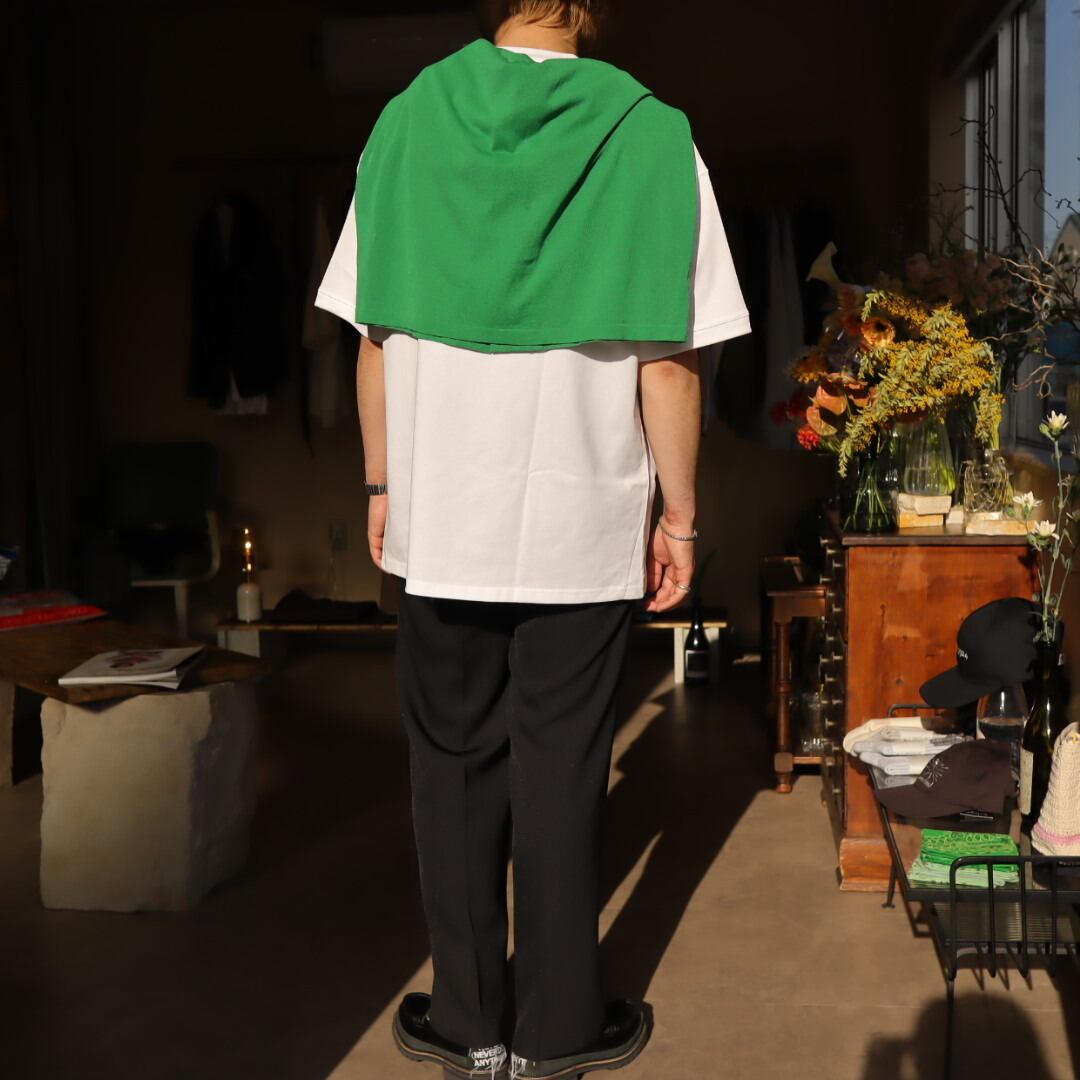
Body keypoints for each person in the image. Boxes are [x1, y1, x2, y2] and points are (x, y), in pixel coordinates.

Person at [314, 2, 750, 1076]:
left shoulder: (406, 120)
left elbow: (375, 336)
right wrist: (680, 517)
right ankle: (559, 1031)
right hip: (581, 516)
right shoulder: (656, 135)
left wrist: (381, 481)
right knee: (563, 767)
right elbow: (670, 364)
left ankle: (468, 1022)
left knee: (452, 766)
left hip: (442, 510)